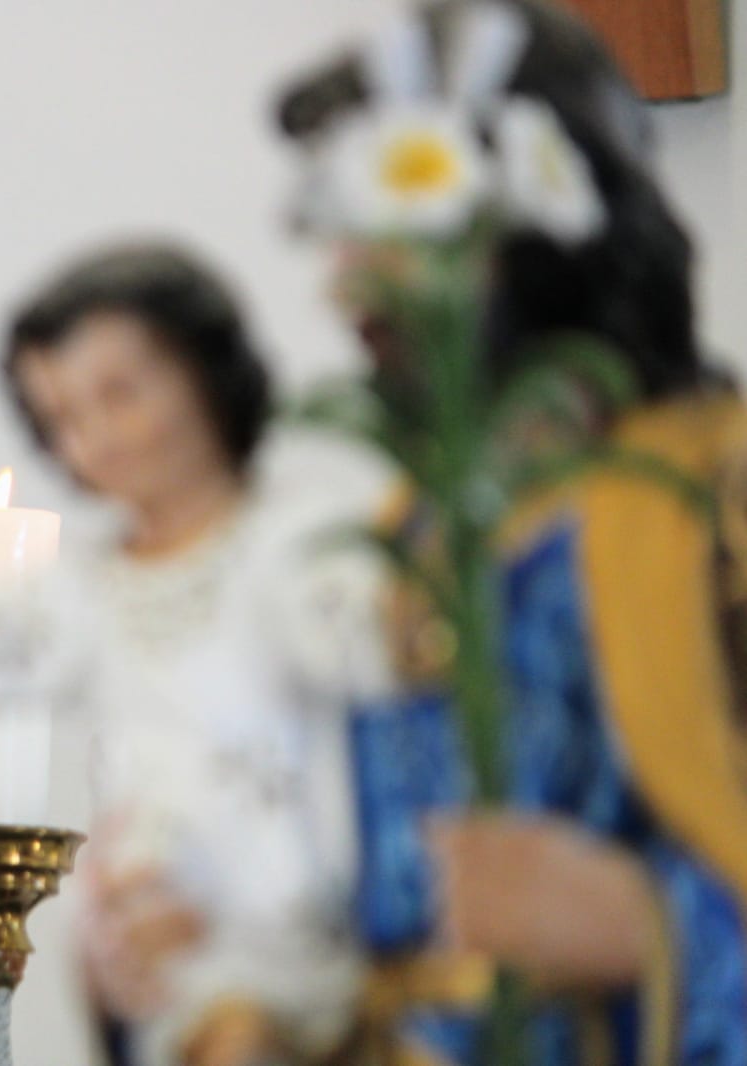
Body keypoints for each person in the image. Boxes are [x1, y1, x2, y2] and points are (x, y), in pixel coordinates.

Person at [0, 242, 390, 1066]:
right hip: (159, 897)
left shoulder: (291, 537)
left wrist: (400, 630)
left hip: (291, 883)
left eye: (119, 395)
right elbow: (4, 633)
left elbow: (365, 637)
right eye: (62, 417)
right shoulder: (91, 587)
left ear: (206, 374)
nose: (95, 437)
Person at [274, 1, 747, 1062]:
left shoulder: (712, 498)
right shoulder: (411, 544)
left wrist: (646, 929)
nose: (346, 284)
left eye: (389, 229)